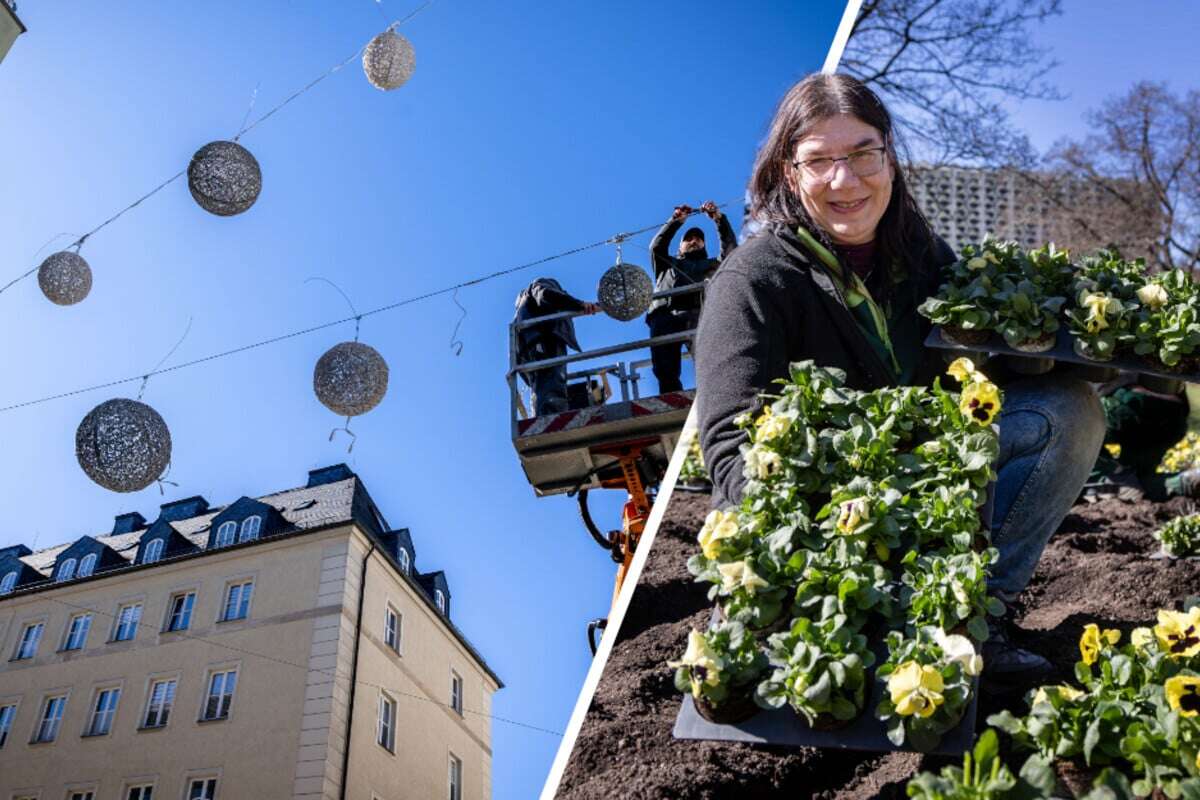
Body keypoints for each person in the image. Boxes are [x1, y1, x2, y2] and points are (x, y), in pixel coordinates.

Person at [694, 73, 1105, 681]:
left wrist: (1039, 336)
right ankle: (859, 632)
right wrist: (827, 516)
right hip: (829, 519)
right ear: (790, 173)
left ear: (889, 156)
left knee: (1069, 410)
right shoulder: (754, 281)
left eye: (863, 154)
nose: (846, 179)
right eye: (820, 161)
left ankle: (973, 621)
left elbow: (984, 374)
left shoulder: (925, 258)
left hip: (925, 489)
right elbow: (730, 451)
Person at [646, 200, 737, 393]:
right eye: (688, 239)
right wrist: (675, 221)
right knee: (665, 369)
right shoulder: (665, 263)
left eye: (698, 239)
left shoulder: (713, 264)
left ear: (704, 244)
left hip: (700, 314)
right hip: (664, 316)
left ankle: (715, 396)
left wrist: (719, 219)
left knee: (710, 364)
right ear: (680, 246)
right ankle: (671, 397)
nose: (694, 240)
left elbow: (730, 253)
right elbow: (656, 246)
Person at [513, 278, 599, 416]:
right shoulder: (540, 285)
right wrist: (579, 305)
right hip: (544, 339)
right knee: (552, 383)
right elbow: (547, 295)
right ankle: (552, 418)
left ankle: (543, 416)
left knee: (542, 387)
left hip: (531, 346)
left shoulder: (522, 308)